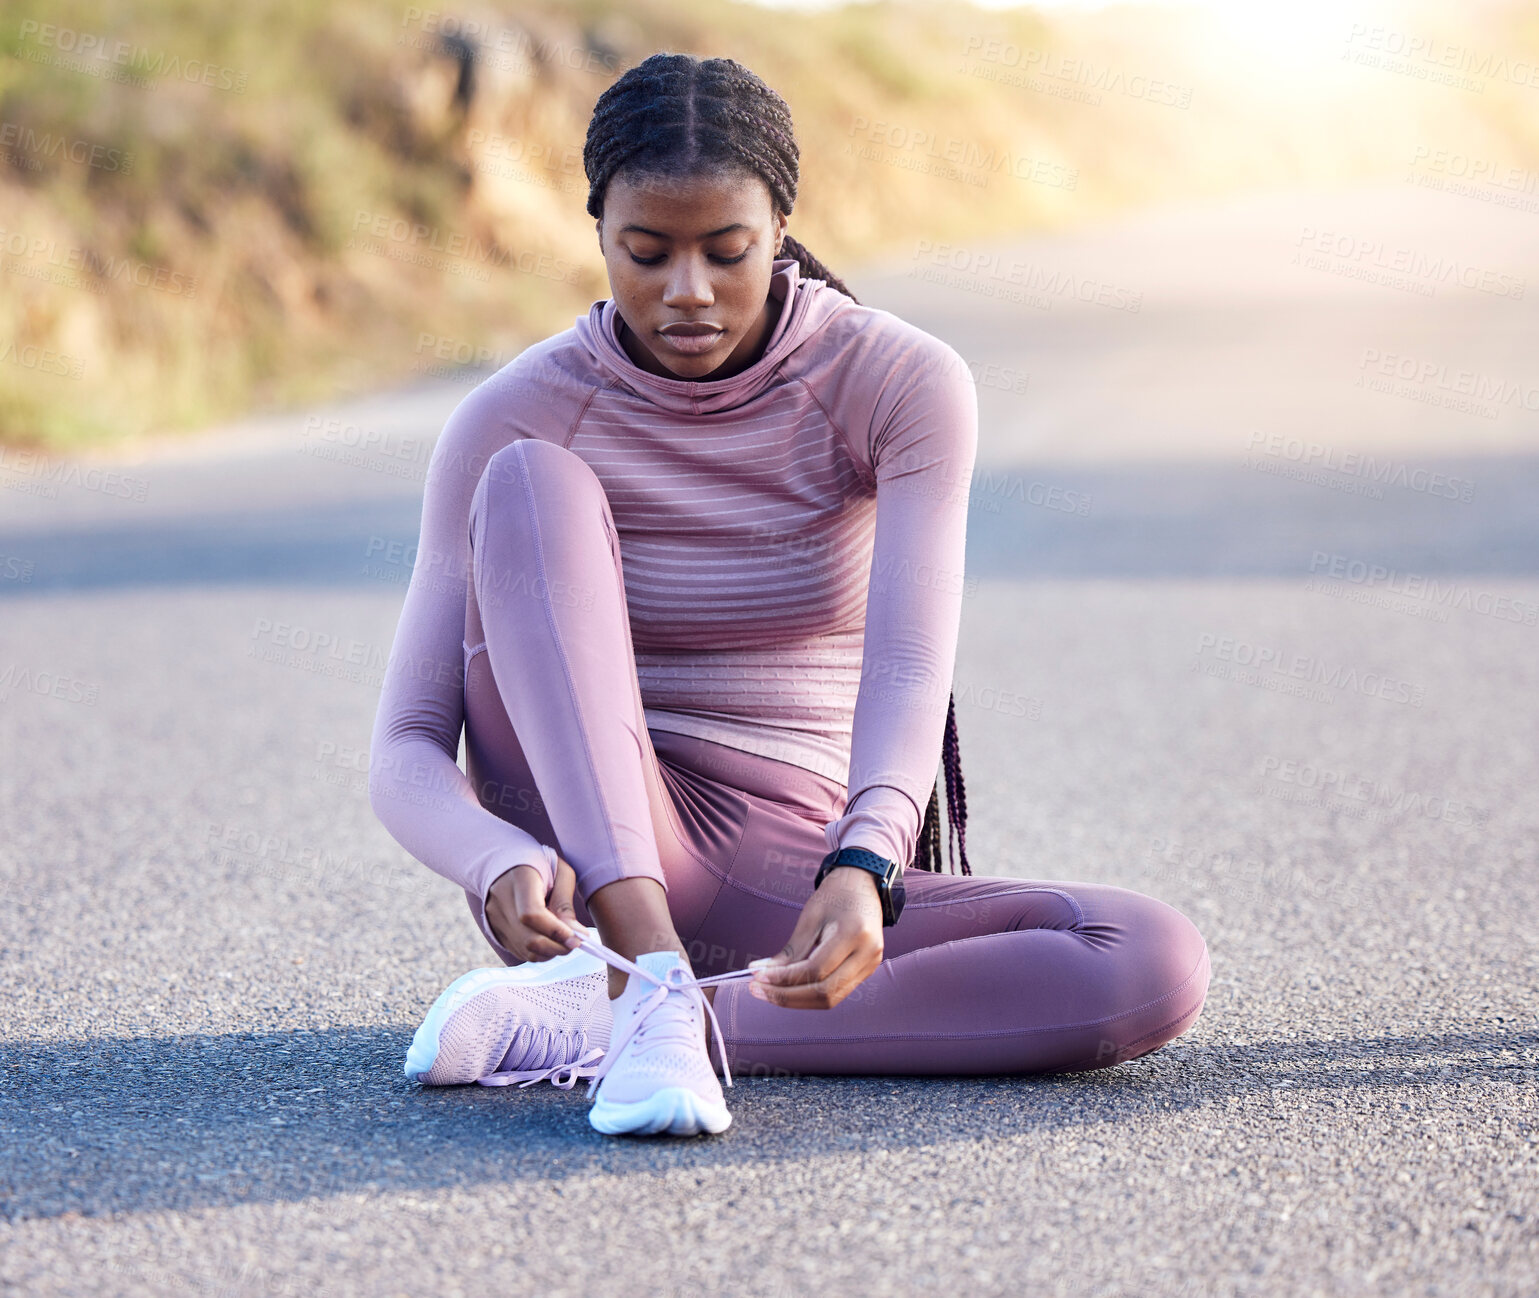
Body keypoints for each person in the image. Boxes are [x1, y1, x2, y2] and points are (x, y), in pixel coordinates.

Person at [369, 52, 1210, 1138]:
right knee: (530, 483)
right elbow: (405, 744)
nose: (687, 292)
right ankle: (639, 965)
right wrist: (497, 860)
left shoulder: (894, 382)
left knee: (1145, 959)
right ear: (597, 235)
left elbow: (911, 660)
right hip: (596, 850)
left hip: (793, 879)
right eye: (645, 252)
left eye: (727, 252)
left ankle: (630, 1017)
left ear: (779, 229)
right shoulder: (515, 411)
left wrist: (867, 863)